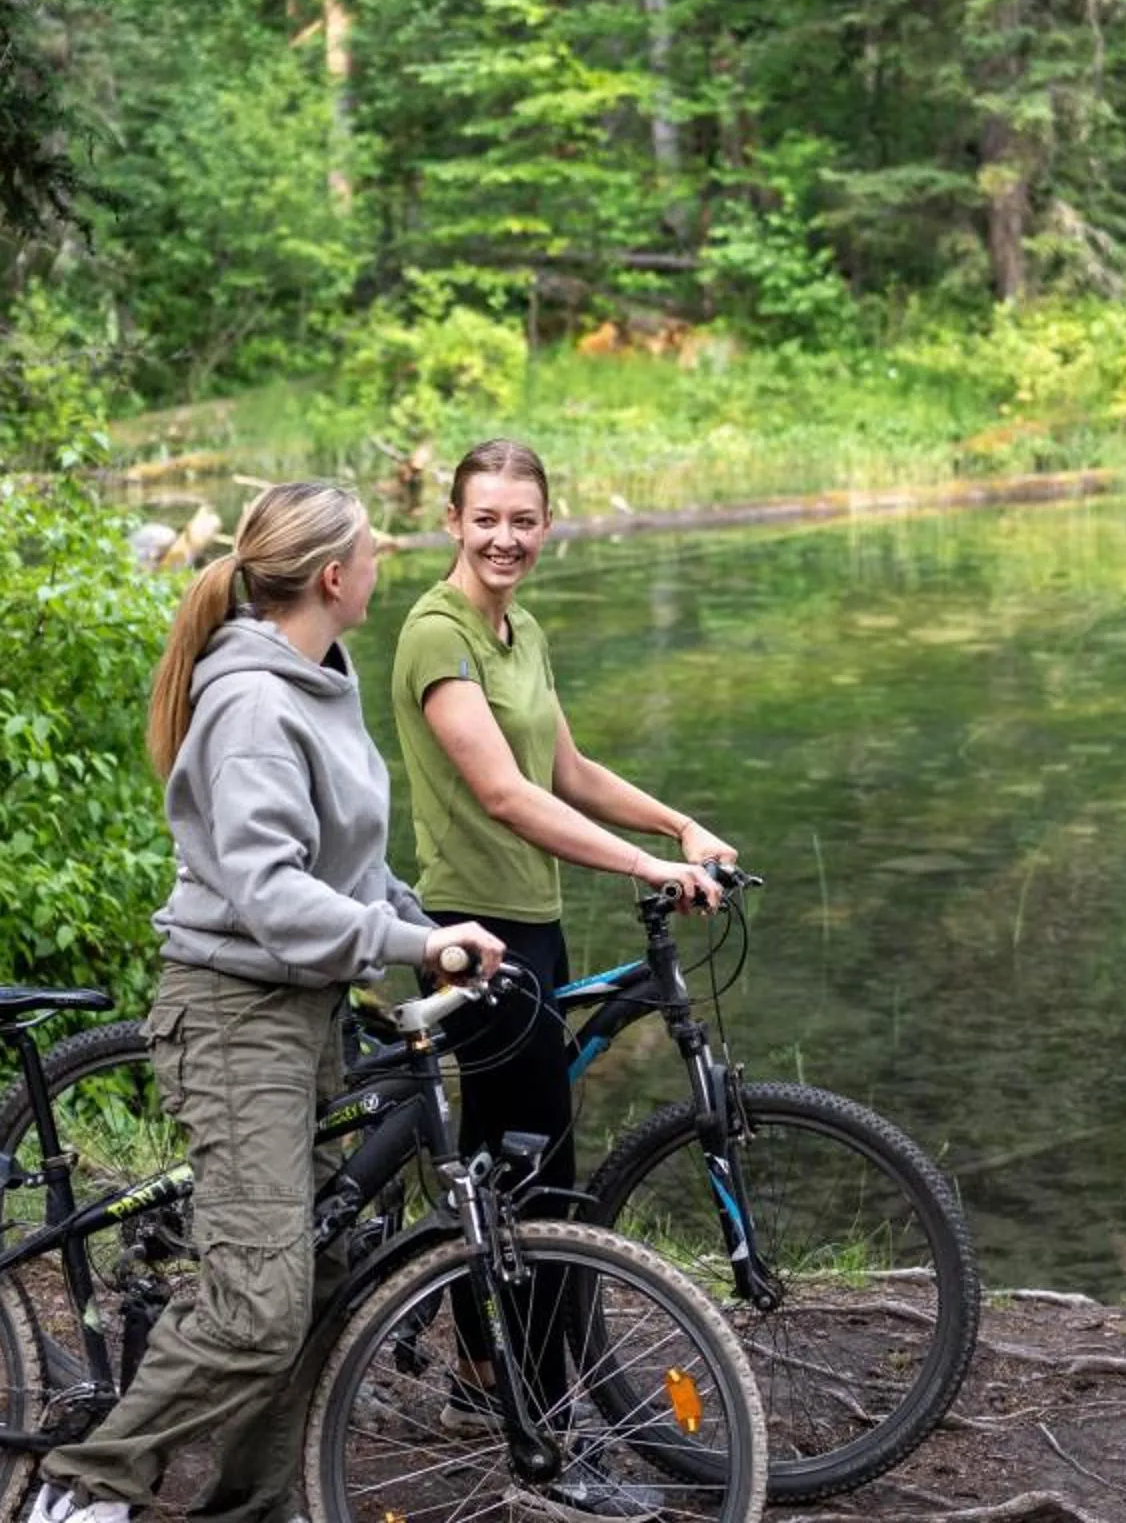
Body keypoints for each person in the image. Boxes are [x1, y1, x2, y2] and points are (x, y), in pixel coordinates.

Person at [27, 481, 504, 1523]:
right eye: (374, 550)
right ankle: (82, 1489)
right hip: (236, 1014)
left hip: (307, 1014)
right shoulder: (250, 701)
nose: (384, 563)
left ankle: (249, 1506)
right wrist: (411, 939)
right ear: (334, 576)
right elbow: (275, 892)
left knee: (324, 1275)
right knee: (256, 1308)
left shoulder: (320, 676)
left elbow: (348, 862)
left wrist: (425, 931)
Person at [390, 438, 735, 1513]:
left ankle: (486, 1379)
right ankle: (540, 1438)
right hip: (476, 932)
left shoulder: (518, 626)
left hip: (534, 929)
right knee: (533, 1192)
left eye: (523, 519)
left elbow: (566, 770)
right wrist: (644, 864)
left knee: (524, 1169)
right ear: (453, 520)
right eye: (485, 516)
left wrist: (676, 820)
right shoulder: (435, 633)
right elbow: (501, 792)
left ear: (550, 524)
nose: (504, 536)